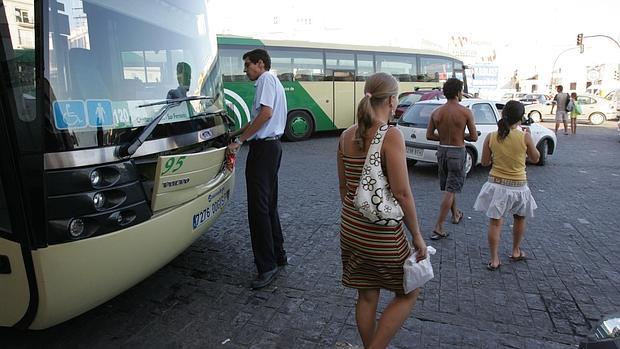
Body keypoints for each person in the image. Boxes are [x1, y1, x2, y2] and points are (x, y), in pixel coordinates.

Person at [337, 72, 427, 349]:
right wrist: (417, 235)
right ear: (391, 100)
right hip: (381, 234)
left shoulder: (345, 135)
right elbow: (401, 193)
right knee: (410, 290)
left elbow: (344, 191)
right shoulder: (391, 135)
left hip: (351, 229)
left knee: (366, 296)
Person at [227, 49, 287, 289]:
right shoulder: (273, 81)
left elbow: (265, 114)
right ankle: (278, 255)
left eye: (247, 64)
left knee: (258, 209)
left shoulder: (265, 79)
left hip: (263, 151)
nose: (245, 69)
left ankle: (266, 266)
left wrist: (240, 142)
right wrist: (238, 132)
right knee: (269, 205)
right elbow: (261, 118)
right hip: (272, 148)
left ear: (260, 64)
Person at [473, 100, 540, 271]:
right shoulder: (524, 136)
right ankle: (516, 251)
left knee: (495, 222)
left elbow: (485, 162)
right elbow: (535, 158)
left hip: (497, 185)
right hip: (518, 186)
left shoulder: (491, 136)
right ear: (520, 118)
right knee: (519, 218)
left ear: (503, 115)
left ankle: (494, 259)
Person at [426, 78, 478, 240]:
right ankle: (439, 226)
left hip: (442, 151)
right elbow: (474, 137)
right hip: (457, 152)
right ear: (457, 92)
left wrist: (443, 136)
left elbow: (429, 135)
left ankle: (455, 214)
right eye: (461, 91)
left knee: (450, 185)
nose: (462, 94)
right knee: (451, 189)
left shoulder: (436, 112)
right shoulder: (465, 112)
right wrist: (460, 136)